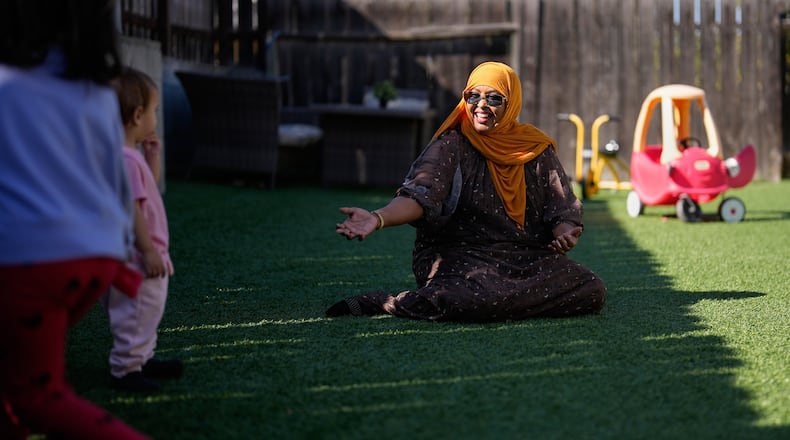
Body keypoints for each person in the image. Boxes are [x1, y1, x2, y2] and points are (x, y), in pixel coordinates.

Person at [327, 61, 606, 322]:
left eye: (493, 98)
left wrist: (563, 234)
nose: (481, 106)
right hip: (459, 257)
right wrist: (378, 218)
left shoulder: (536, 149)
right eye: (473, 97)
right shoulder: (451, 145)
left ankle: (501, 301)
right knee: (468, 297)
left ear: (511, 103)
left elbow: (562, 208)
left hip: (526, 257)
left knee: (590, 288)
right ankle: (385, 302)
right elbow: (420, 195)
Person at [0, 1, 150, 439]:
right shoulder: (96, 91)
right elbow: (116, 179)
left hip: (32, 260)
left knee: (38, 395)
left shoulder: (8, 84)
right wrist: (123, 253)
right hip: (94, 259)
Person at [106, 66, 182, 393]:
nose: (155, 119)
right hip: (139, 257)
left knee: (147, 311)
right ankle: (126, 369)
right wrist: (148, 249)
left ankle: (142, 358)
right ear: (138, 116)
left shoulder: (130, 157)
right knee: (137, 312)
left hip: (142, 253)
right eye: (154, 112)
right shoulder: (125, 159)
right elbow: (133, 207)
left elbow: (145, 186)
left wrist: (152, 157)